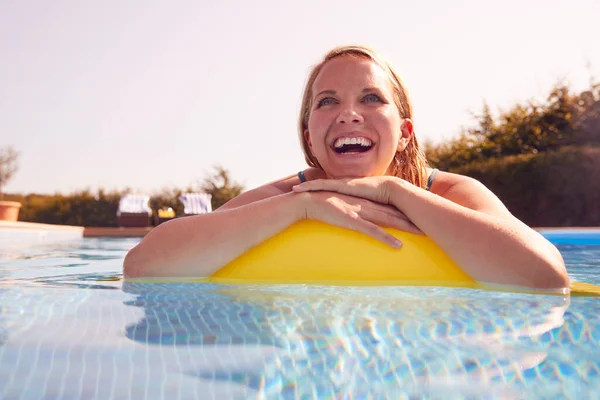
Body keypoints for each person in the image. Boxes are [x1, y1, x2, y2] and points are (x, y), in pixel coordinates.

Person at [123, 45, 569, 290]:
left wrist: (397, 193)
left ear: (406, 131)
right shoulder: (286, 196)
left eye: (371, 98)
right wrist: (300, 209)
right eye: (327, 101)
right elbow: (144, 266)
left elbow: (547, 278)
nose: (349, 114)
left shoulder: (450, 192)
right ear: (309, 136)